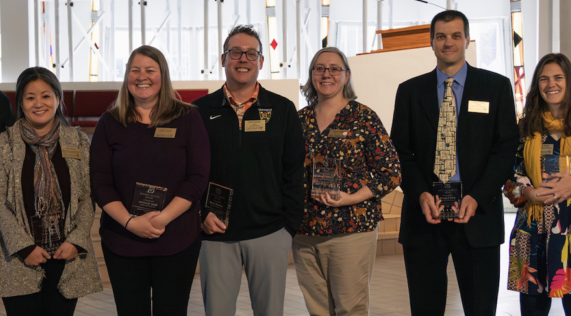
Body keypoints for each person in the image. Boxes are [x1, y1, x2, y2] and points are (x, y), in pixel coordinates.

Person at [389, 10, 519, 316]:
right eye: (441, 36)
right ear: (431, 42)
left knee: (480, 308)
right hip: (425, 216)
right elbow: (400, 153)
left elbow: (505, 150)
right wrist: (420, 193)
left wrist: (477, 195)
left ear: (468, 40)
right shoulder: (409, 91)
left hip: (478, 214)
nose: (449, 43)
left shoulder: (495, 87)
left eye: (456, 36)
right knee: (425, 308)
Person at [192, 25, 304, 316]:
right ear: (223, 59)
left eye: (251, 53)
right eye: (235, 52)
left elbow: (294, 172)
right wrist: (200, 215)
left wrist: (288, 228)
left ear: (261, 62)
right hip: (215, 233)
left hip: (270, 233)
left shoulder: (282, 110)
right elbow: (189, 171)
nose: (243, 59)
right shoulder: (197, 112)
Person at [90, 45, 210, 316]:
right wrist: (132, 223)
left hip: (176, 236)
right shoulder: (109, 123)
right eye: (135, 70)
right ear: (126, 76)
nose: (142, 76)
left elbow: (197, 178)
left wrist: (162, 219)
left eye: (150, 70)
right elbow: (100, 183)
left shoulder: (188, 117)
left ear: (162, 75)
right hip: (122, 238)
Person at [293, 46, 401, 315]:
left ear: (346, 75)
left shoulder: (363, 117)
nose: (326, 74)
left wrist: (351, 198)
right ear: (311, 75)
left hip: (351, 227)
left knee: (349, 308)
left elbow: (392, 172)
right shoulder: (299, 120)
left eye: (334, 69)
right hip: (305, 231)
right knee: (317, 309)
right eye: (319, 68)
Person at [0, 67, 102, 315]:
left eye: (45, 95)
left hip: (66, 254)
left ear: (58, 98)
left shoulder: (77, 140)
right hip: (21, 257)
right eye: (30, 97)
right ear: (20, 103)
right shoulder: (5, 143)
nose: (38, 103)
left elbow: (87, 196)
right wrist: (24, 248)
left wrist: (77, 240)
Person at [504, 53, 571, 316]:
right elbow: (509, 177)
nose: (551, 84)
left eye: (558, 77)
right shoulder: (525, 128)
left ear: (570, 82)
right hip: (533, 230)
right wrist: (527, 191)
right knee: (532, 311)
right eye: (544, 79)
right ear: (537, 86)